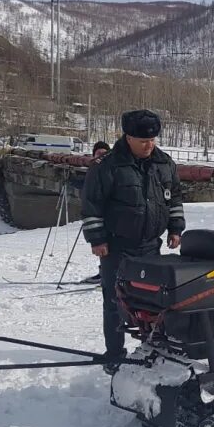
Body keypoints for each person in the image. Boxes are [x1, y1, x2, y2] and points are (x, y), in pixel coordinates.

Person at [81, 109, 185, 366]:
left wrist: (175, 228)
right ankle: (114, 355)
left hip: (151, 246)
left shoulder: (165, 164)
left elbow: (175, 197)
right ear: (127, 137)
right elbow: (91, 204)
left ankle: (151, 351)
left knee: (152, 304)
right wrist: (97, 239)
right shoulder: (107, 166)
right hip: (117, 247)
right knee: (116, 302)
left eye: (152, 140)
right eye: (142, 141)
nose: (148, 145)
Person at [79, 140, 114, 286]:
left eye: (104, 153)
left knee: (111, 249)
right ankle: (103, 273)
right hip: (98, 217)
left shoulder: (109, 167)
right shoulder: (93, 167)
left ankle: (107, 276)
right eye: (98, 153)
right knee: (103, 247)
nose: (101, 155)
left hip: (111, 216)